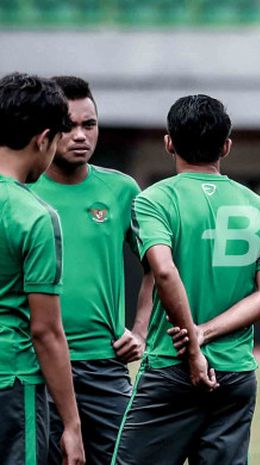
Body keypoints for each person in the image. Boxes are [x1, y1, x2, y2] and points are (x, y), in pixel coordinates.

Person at [112, 94, 260, 465]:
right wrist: (207, 332)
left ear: (169, 142)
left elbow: (164, 271)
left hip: (172, 366)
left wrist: (194, 347)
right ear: (226, 146)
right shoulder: (259, 207)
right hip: (235, 372)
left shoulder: (153, 200)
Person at [30, 75, 154, 465]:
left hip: (105, 365)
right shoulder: (22, 193)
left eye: (90, 124)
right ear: (46, 131)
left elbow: (157, 267)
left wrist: (141, 330)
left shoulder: (122, 190)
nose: (81, 135)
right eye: (69, 126)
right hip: (36, 364)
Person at [0, 72, 85, 465]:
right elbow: (45, 330)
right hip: (13, 385)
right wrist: (71, 424)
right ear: (44, 138)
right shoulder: (34, 216)